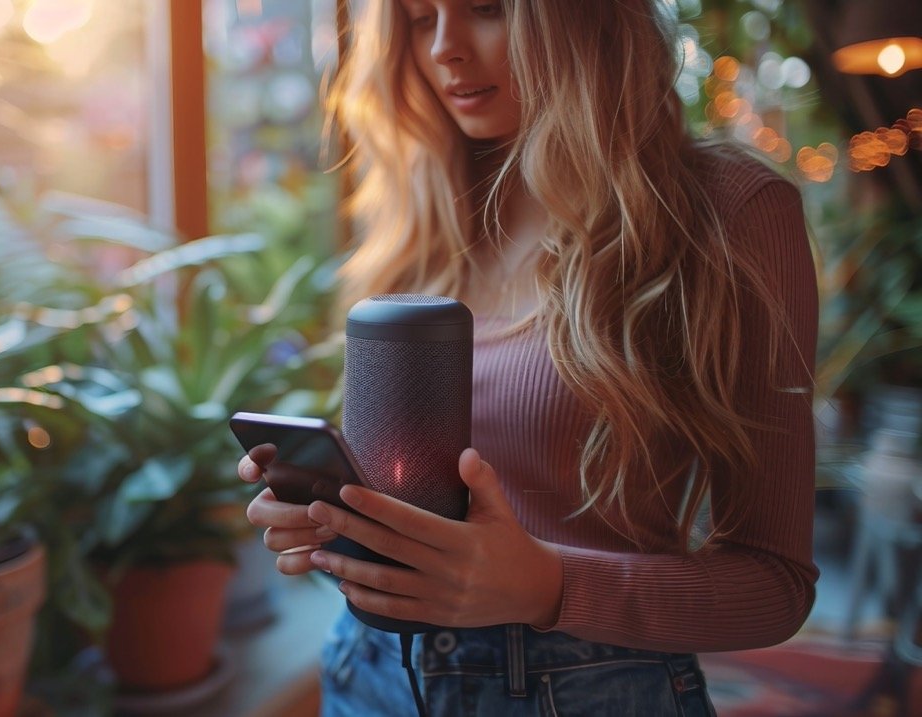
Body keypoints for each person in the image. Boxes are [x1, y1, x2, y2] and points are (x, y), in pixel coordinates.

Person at [238, 0, 820, 714]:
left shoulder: (726, 211)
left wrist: (549, 582)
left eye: (486, 9)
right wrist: (335, 515)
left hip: (582, 689)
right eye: (420, 20)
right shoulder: (428, 212)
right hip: (369, 669)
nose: (445, 49)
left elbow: (776, 584)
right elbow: (411, 490)